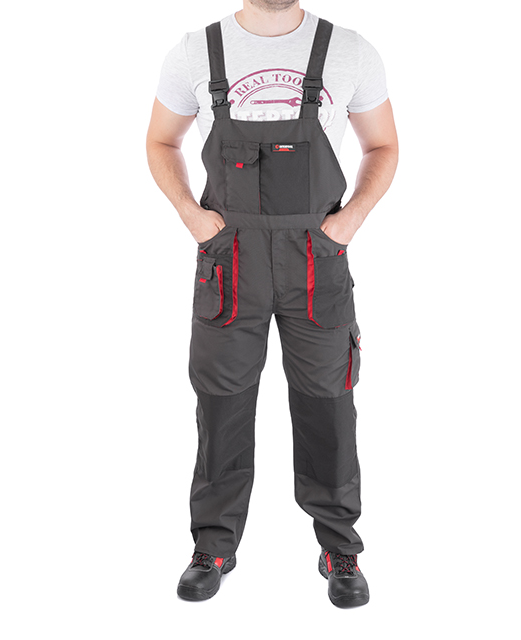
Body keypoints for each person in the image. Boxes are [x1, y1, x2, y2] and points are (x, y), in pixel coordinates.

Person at [146, 0, 398, 608]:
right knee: (222, 403)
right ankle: (213, 545)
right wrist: (192, 217)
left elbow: (384, 146)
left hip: (316, 256)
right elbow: (160, 141)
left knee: (328, 403)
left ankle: (340, 548)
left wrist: (348, 222)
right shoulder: (194, 51)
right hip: (229, 259)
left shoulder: (349, 49)